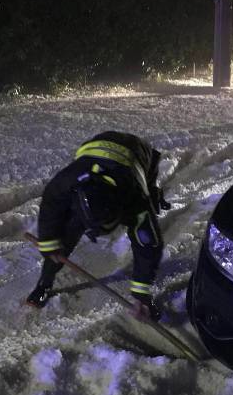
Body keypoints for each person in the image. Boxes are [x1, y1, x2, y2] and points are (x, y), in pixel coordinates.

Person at [27, 131, 170, 320]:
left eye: (107, 226)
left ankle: (156, 196)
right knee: (66, 235)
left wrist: (141, 295)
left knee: (148, 202)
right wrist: (49, 244)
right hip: (94, 148)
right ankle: (44, 284)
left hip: (139, 153)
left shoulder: (135, 199)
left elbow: (148, 244)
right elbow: (50, 208)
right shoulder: (68, 182)